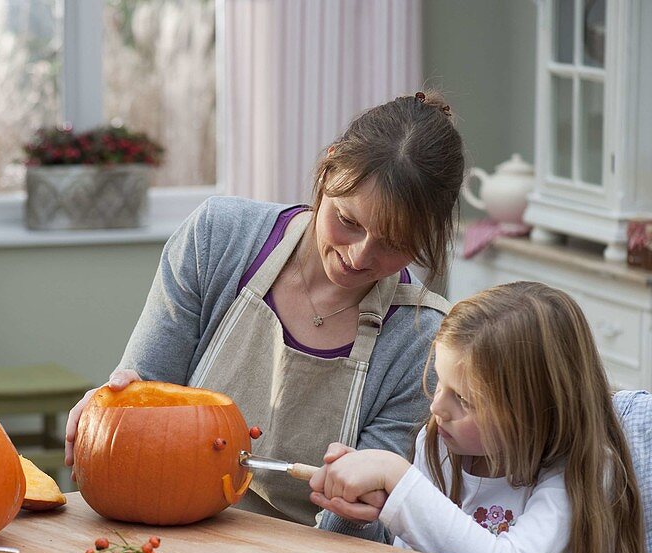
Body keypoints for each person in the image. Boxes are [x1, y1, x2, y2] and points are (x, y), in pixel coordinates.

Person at [65, 91, 466, 529]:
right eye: (348, 221)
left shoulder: (423, 337)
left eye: (395, 244)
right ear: (329, 167)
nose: (359, 256)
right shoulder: (217, 237)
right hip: (179, 533)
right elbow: (145, 402)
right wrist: (111, 415)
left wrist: (364, 503)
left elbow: (353, 530)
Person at [309, 281, 648, 553]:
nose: (437, 407)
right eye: (440, 383)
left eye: (463, 399)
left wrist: (399, 480)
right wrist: (370, 513)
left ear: (534, 411)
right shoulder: (442, 443)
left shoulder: (581, 473)